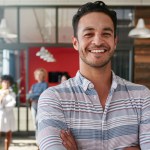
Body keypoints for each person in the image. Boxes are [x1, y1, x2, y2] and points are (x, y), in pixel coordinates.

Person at [37, 1, 150, 150]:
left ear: (115, 42)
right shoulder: (53, 99)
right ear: (75, 43)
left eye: (106, 34)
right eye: (89, 34)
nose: (97, 41)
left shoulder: (142, 97)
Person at [0, 75, 16, 150]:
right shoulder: (0, 92)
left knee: (8, 133)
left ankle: (7, 148)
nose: (6, 84)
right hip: (1, 115)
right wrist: (2, 96)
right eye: (4, 82)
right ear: (1, 83)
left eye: (8, 83)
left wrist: (5, 108)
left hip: (9, 115)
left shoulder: (12, 93)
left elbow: (13, 103)